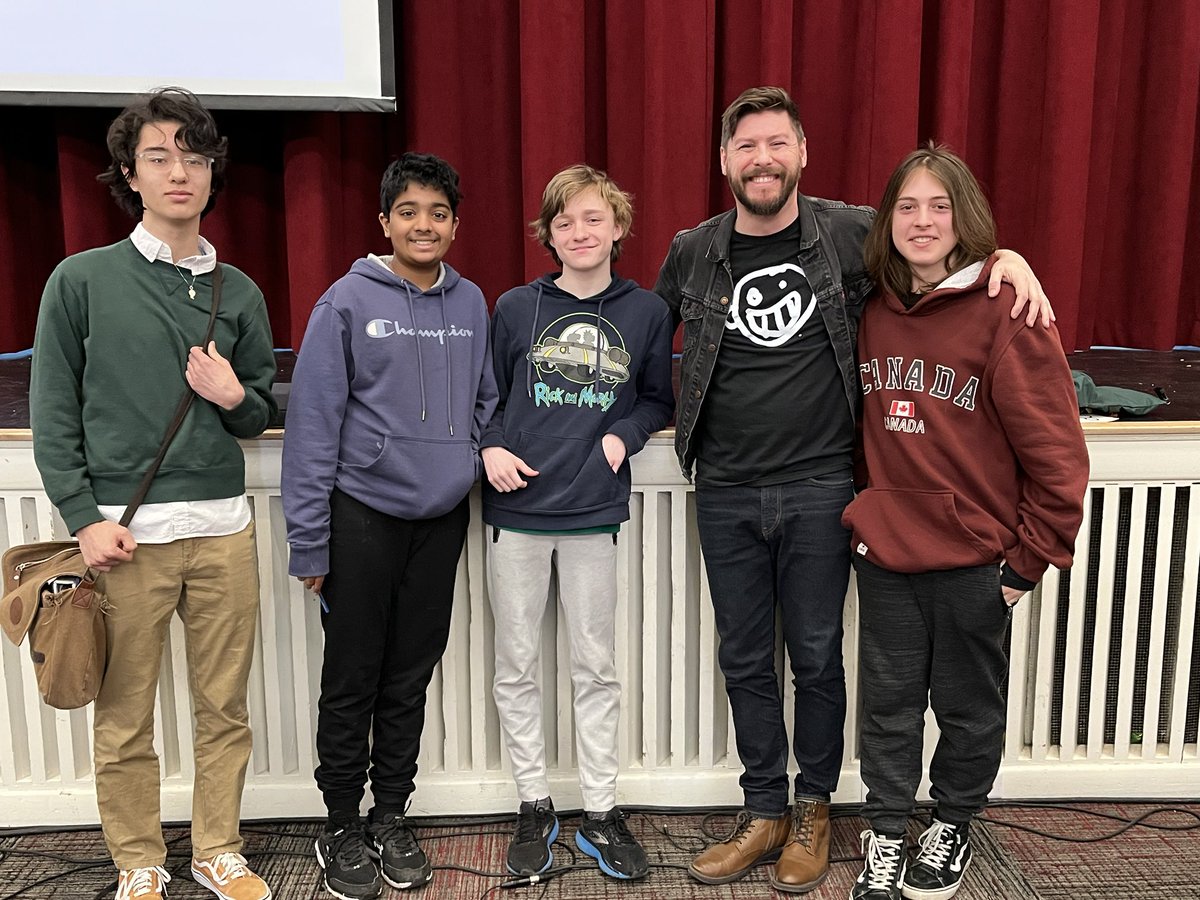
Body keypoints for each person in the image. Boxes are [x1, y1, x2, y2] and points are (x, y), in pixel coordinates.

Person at [653, 86, 1050, 894]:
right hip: (724, 486)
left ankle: (813, 811)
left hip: (820, 485)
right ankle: (762, 808)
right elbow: (638, 332)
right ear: (724, 161)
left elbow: (939, 247)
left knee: (817, 657)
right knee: (743, 657)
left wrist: (1007, 257)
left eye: (776, 143)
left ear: (803, 152)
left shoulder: (849, 233)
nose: (761, 159)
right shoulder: (693, 251)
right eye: (745, 147)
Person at [29, 87, 277, 900]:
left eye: (196, 158)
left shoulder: (236, 290)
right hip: (124, 537)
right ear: (129, 174)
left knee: (224, 709)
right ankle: (139, 861)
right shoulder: (82, 279)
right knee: (126, 714)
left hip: (223, 531)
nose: (180, 173)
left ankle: (218, 850)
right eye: (161, 157)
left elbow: (262, 413)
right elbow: (52, 411)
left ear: (212, 175)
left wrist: (234, 395)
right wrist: (80, 520)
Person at [843, 145, 1087, 900]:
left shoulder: (1008, 310)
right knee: (885, 711)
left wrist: (1026, 565)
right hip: (886, 556)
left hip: (976, 563)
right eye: (908, 207)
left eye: (939, 207)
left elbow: (1057, 452)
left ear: (963, 220)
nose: (922, 222)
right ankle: (885, 832)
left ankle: (951, 823)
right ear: (889, 220)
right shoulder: (871, 309)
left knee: (967, 710)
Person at [281, 152, 498, 900]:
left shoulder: (473, 304)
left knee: (410, 676)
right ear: (385, 223)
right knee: (353, 678)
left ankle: (391, 815)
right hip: (361, 518)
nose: (424, 225)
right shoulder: (345, 301)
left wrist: (467, 461)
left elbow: (487, 401)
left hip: (440, 521)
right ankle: (341, 823)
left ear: (455, 225)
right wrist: (310, 541)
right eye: (409, 211)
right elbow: (312, 429)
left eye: (438, 213)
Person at [481, 165, 674, 882]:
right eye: (565, 223)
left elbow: (659, 398)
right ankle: (535, 803)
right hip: (518, 514)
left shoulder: (647, 312)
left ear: (618, 227)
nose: (580, 233)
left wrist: (623, 433)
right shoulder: (513, 308)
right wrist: (490, 446)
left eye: (593, 219)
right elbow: (486, 398)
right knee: (517, 665)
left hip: (595, 512)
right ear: (548, 234)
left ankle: (600, 809)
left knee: (597, 667)